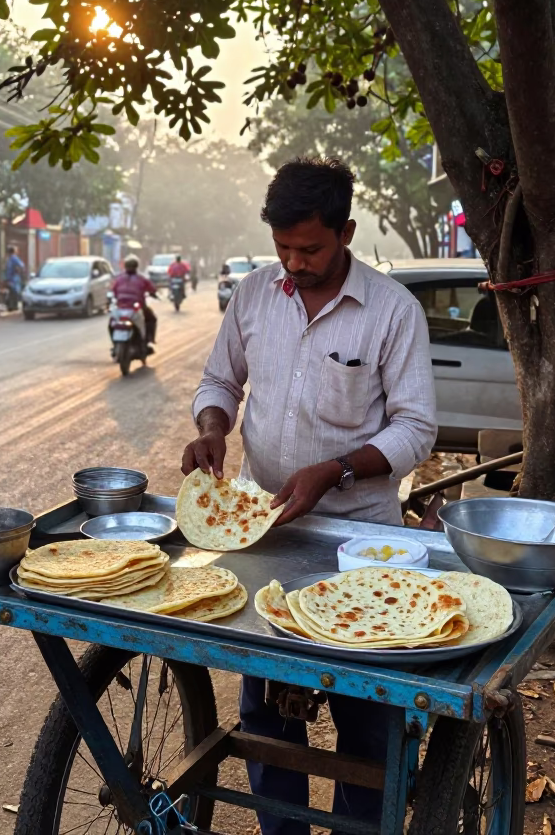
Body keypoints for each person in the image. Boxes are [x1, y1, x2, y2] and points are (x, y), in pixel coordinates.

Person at [182, 157, 437, 835]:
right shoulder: (255, 295)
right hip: (265, 532)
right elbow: (219, 383)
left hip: (361, 543)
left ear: (346, 231)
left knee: (366, 716)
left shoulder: (392, 311)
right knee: (265, 711)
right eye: (284, 248)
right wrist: (212, 428)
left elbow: (416, 428)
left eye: (311, 249)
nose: (294, 263)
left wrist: (338, 469)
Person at [111, 255, 158, 347]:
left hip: (120, 307)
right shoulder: (141, 279)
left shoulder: (119, 279)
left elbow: (114, 291)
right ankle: (149, 338)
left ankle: (115, 344)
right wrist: (153, 293)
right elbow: (152, 289)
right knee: (152, 319)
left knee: (111, 323)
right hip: (136, 307)